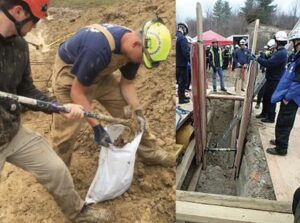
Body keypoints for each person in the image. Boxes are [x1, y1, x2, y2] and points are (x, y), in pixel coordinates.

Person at [0, 0, 109, 222]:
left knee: (56, 170)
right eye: (35, 21)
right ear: (18, 12)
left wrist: (59, 107)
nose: (36, 27)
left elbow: (26, 91)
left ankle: (77, 212)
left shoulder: (20, 46)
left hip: (11, 131)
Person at [51, 17, 174, 167]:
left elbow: (127, 84)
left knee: (129, 114)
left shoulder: (133, 49)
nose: (141, 62)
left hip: (99, 76)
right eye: (143, 58)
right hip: (71, 80)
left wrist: (138, 112)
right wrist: (97, 128)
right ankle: (58, 171)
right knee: (67, 130)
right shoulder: (97, 49)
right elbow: (77, 93)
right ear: (136, 44)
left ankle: (149, 152)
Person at [266, 28, 300, 156]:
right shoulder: (296, 57)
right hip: (289, 95)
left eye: (295, 41)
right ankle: (280, 141)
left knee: (285, 122)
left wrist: (287, 96)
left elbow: (298, 83)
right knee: (281, 119)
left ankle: (281, 149)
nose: (293, 44)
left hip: (292, 97)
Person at [253, 31, 288, 123]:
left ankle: (271, 117)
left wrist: (257, 58)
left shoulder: (281, 53)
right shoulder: (279, 52)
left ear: (278, 42)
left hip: (275, 80)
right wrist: (262, 56)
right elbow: (269, 59)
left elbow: (269, 63)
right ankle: (264, 113)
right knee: (266, 96)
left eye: (276, 41)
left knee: (271, 99)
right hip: (271, 78)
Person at [255, 39, 276, 109]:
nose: (267, 50)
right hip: (264, 72)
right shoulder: (264, 54)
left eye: (268, 49)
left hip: (270, 75)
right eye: (266, 49)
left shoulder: (274, 54)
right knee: (260, 89)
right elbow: (263, 61)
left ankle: (265, 107)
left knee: (266, 92)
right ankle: (258, 103)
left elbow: (270, 63)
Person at [176, 22, 190, 103]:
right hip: (181, 65)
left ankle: (183, 96)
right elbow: (186, 53)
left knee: (179, 82)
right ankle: (181, 99)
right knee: (183, 82)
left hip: (176, 64)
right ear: (184, 28)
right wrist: (190, 60)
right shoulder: (182, 38)